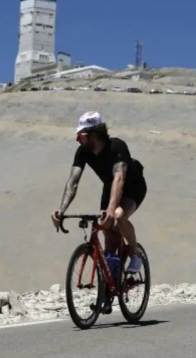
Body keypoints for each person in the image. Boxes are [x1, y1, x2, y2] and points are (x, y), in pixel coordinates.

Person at [51, 111, 147, 275]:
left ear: (94, 135)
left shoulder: (117, 146)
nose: (77, 140)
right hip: (110, 188)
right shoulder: (83, 152)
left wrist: (111, 210)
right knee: (107, 229)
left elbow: (119, 179)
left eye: (81, 136)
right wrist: (61, 210)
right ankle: (112, 279)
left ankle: (135, 254)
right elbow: (73, 181)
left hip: (133, 187)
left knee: (117, 216)